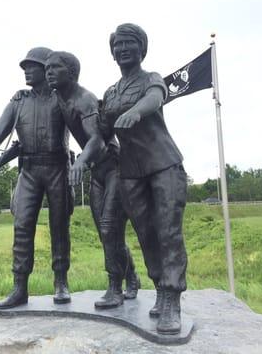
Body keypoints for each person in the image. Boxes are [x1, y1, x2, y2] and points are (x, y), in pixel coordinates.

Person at [101, 24, 188, 334]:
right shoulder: (110, 93)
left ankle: (172, 299)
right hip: (131, 172)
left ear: (141, 49)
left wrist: (136, 112)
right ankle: (160, 289)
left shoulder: (151, 79)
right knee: (147, 234)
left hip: (164, 165)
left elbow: (155, 98)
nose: (122, 49)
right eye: (117, 45)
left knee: (168, 232)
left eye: (129, 44)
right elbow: (98, 132)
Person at [0, 47, 72, 309]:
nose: (26, 70)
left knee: (59, 226)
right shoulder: (18, 102)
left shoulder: (63, 98)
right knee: (22, 227)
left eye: (32, 65)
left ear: (46, 69)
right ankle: (19, 288)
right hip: (28, 171)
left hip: (57, 168)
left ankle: (61, 281)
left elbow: (86, 130)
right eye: (25, 66)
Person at [45, 51, 139, 309]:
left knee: (109, 227)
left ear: (72, 73)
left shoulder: (83, 100)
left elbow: (97, 139)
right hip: (97, 171)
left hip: (114, 168)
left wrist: (80, 161)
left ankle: (115, 289)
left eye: (55, 68)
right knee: (106, 233)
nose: (48, 72)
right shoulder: (58, 98)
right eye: (47, 68)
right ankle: (132, 277)